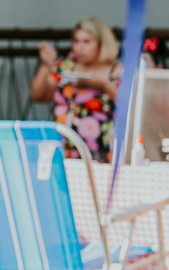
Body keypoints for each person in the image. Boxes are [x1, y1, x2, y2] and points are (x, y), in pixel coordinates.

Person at [29, 17, 121, 162]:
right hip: (62, 145)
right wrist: (46, 65)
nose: (80, 47)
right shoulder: (68, 65)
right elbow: (38, 96)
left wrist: (103, 85)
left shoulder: (116, 69)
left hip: (100, 149)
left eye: (86, 41)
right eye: (76, 41)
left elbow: (130, 104)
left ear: (102, 43)